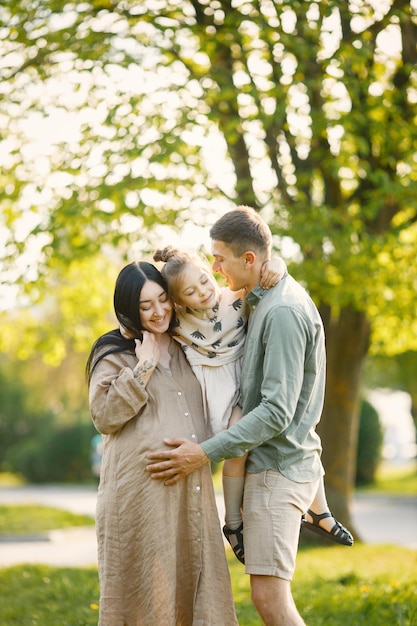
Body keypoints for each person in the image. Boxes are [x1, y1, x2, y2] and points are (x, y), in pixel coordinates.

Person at [145, 206, 350, 626]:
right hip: (269, 464)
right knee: (267, 596)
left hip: (277, 467)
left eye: (219, 258)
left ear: (249, 259)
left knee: (271, 599)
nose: (214, 266)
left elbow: (276, 412)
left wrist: (204, 453)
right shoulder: (261, 299)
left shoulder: (281, 312)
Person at [86, 261, 238, 626]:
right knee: (145, 600)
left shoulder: (191, 344)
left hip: (191, 491)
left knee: (198, 594)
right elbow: (104, 415)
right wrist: (144, 366)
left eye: (162, 300)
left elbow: (230, 303)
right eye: (145, 306)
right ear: (128, 309)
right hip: (140, 499)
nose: (158, 312)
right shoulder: (114, 352)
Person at [153, 246, 286, 564]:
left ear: (210, 270)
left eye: (203, 280)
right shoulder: (179, 322)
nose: (202, 291)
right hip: (220, 391)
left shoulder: (236, 296)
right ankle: (233, 522)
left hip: (249, 378)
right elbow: (146, 315)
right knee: (237, 447)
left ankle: (315, 507)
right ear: (179, 302)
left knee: (282, 431)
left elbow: (268, 270)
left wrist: (277, 265)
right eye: (190, 292)